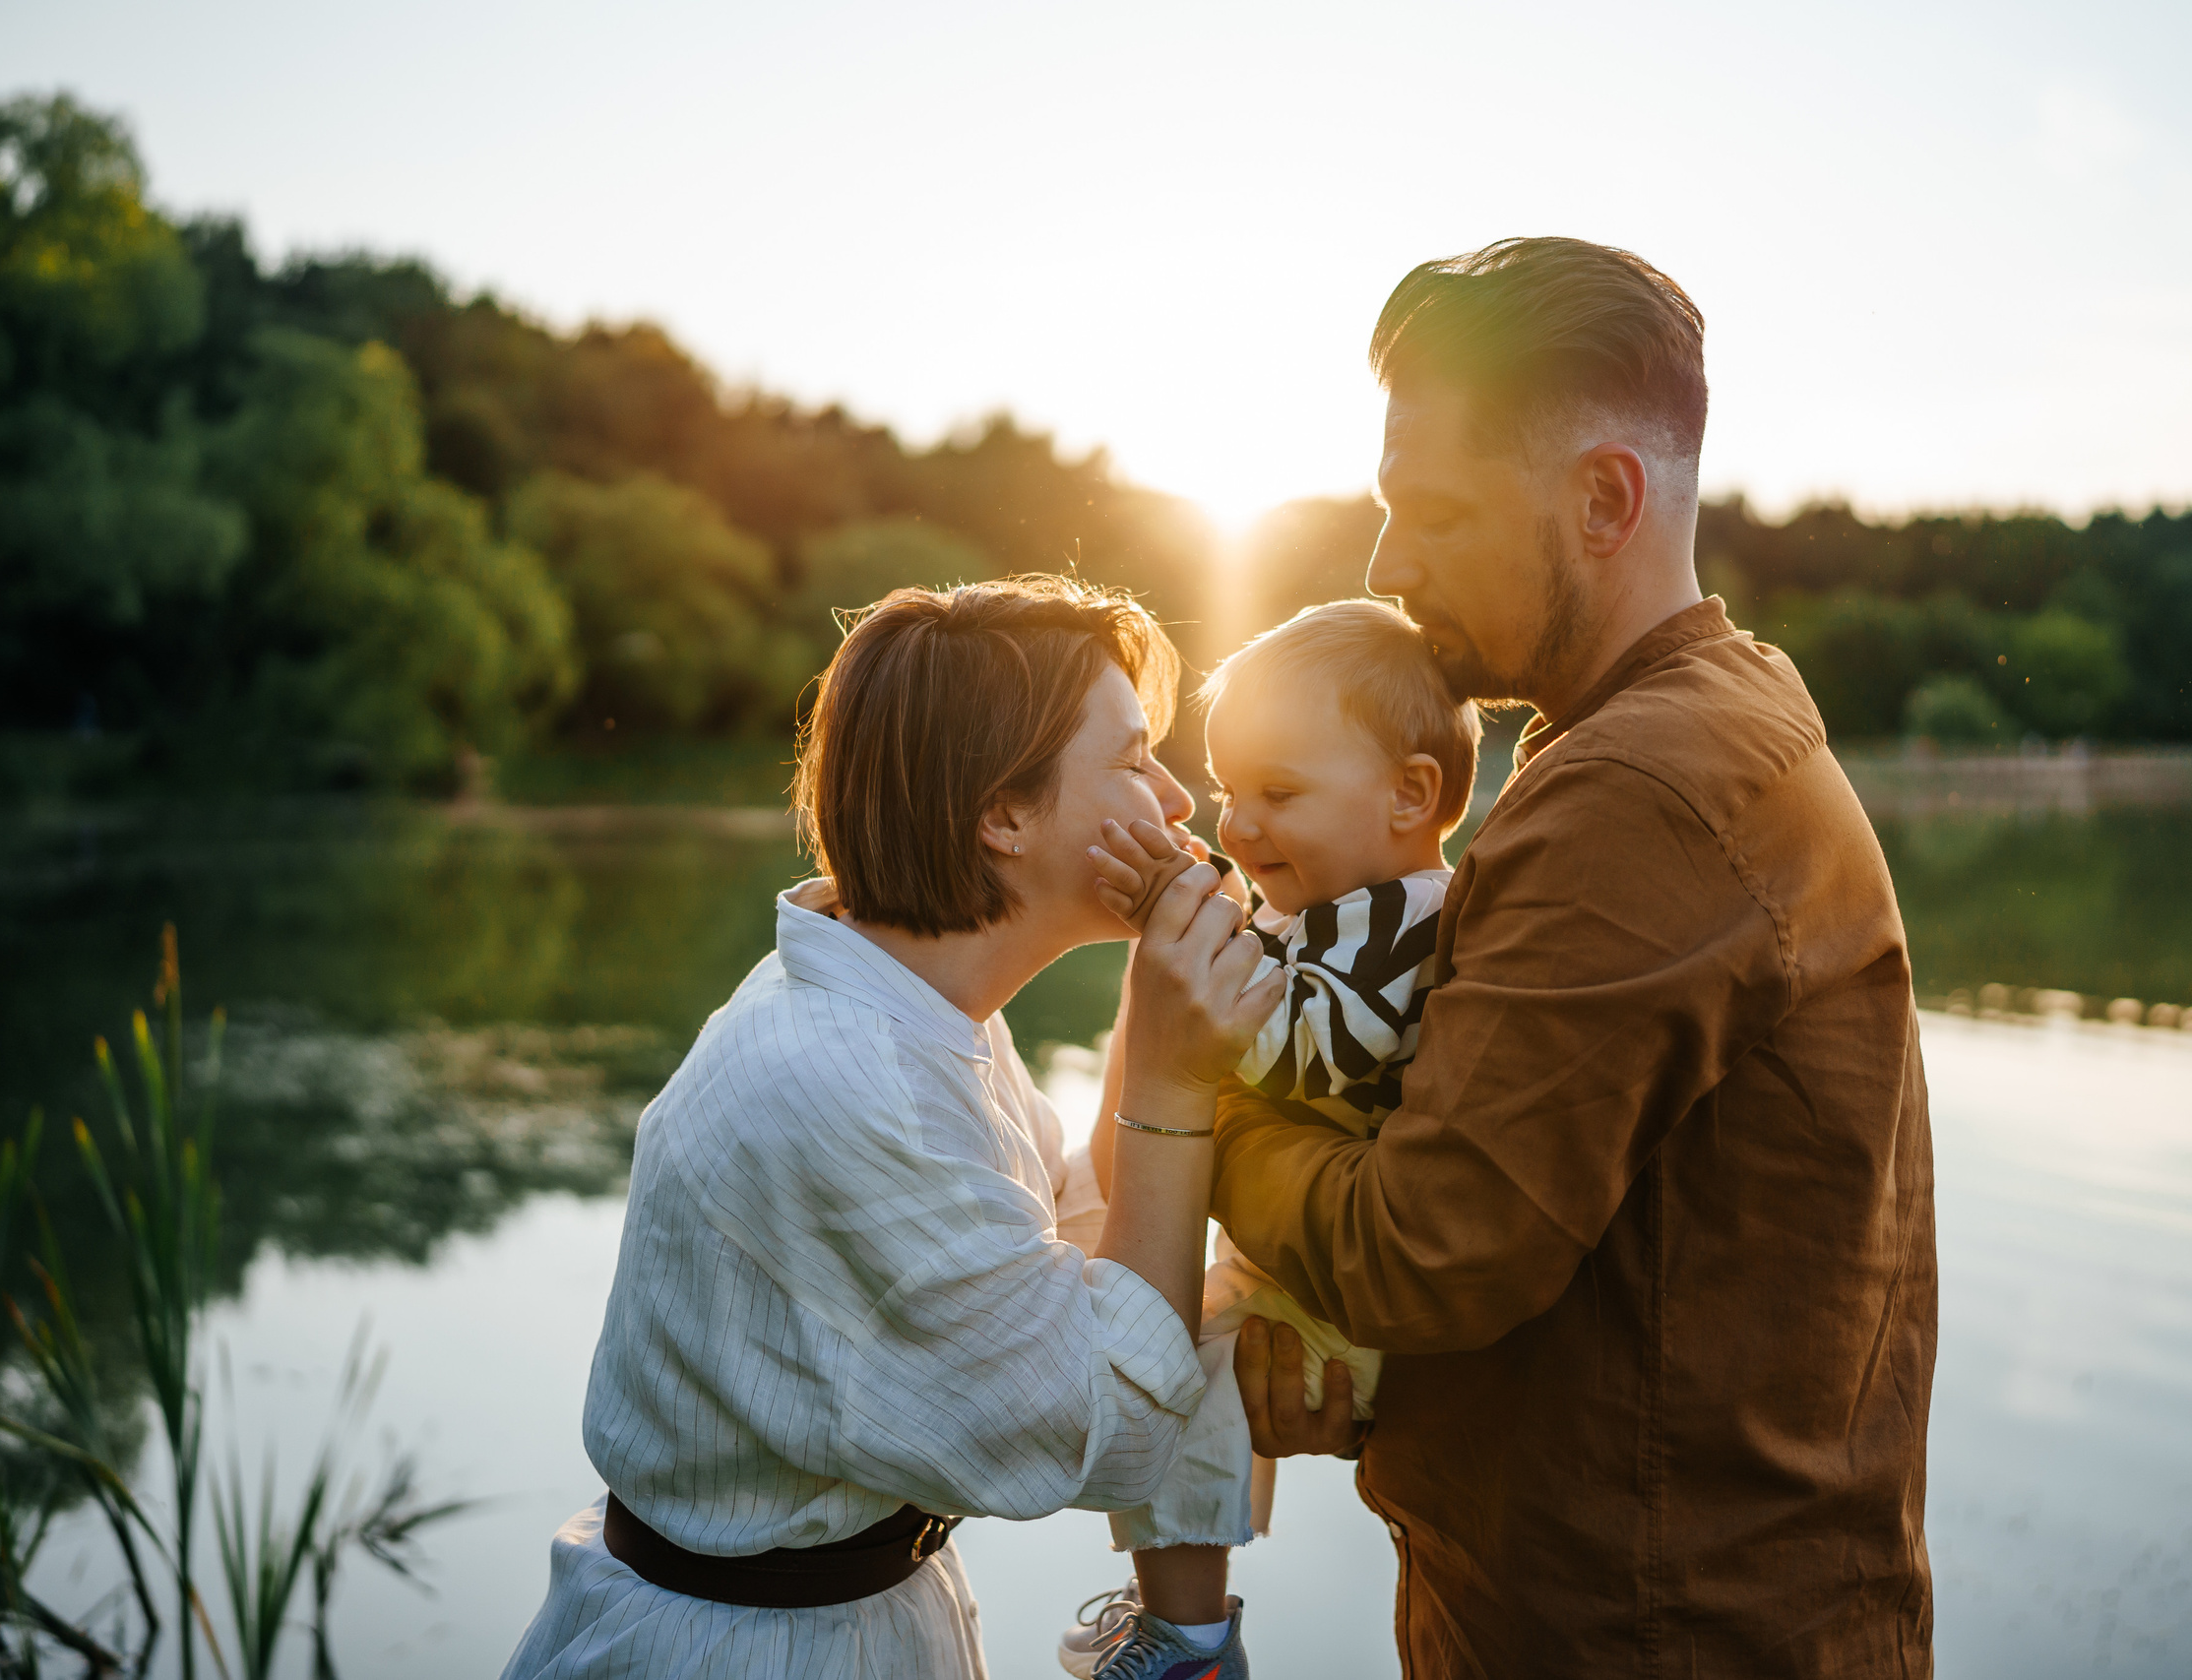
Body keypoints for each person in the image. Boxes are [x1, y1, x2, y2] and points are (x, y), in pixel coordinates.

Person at [1151, 237, 1941, 1676]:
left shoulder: (1643, 787)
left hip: (1648, 1637)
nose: (1389, 563)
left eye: (1435, 511)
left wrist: (1211, 1115)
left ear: (1603, 499)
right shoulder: (1698, 715)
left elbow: (1421, 1248)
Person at [499, 577, 1284, 1680]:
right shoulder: (844, 1082)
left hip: (848, 1615)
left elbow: (1079, 1253)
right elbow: (1113, 1426)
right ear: (1001, 814)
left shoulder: (918, 1013)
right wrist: (1165, 1070)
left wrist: (1159, 1011)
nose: (1177, 802)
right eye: (1135, 758)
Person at [1055, 599, 1482, 1678]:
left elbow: (1301, 1047)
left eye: (1277, 795)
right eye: (1231, 793)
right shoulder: (1333, 910)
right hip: (1298, 1259)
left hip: (1346, 1302)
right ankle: (1175, 1614)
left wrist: (1180, 917)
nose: (1236, 829)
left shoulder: (1406, 918)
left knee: (1176, 1373)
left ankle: (1188, 1639)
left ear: (1411, 794)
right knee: (1142, 1309)